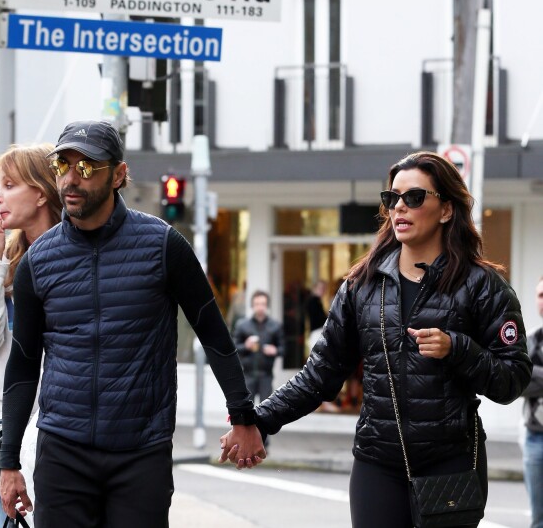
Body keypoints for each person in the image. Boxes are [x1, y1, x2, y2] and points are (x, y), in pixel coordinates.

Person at [220, 151, 532, 527]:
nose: (400, 207)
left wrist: (458, 349)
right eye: (392, 198)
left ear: (446, 209)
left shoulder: (483, 287)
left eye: (414, 198)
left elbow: (513, 380)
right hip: (377, 464)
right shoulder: (361, 286)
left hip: (450, 463)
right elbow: (320, 374)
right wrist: (258, 421)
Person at [0, 120, 265, 527]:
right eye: (62, 165)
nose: (71, 178)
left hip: (140, 452)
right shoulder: (39, 260)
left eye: (86, 167)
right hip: (62, 454)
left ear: (118, 175)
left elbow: (214, 335)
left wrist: (243, 416)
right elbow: (23, 363)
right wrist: (9, 460)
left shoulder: (162, 245)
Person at [0, 144, 62, 528]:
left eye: (9, 184)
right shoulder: (5, 260)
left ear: (41, 192)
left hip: (60, 431)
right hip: (8, 432)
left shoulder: (74, 260)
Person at [233, 290, 284, 405]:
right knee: (245, 410)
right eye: (257, 304)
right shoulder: (243, 325)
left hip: (266, 375)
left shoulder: (275, 325)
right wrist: (246, 346)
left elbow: (283, 349)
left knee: (266, 411)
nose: (260, 307)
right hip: (247, 375)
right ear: (252, 305)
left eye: (263, 304)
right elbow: (234, 348)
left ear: (267, 306)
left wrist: (274, 350)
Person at [522, 276, 543, 528]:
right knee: (538, 520)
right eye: (540, 295)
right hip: (535, 438)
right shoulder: (532, 341)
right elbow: (520, 382)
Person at [305, 279, 328, 352]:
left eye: (324, 289)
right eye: (322, 288)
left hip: (317, 330)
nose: (323, 291)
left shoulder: (316, 300)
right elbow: (318, 318)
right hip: (316, 331)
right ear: (316, 288)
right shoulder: (313, 301)